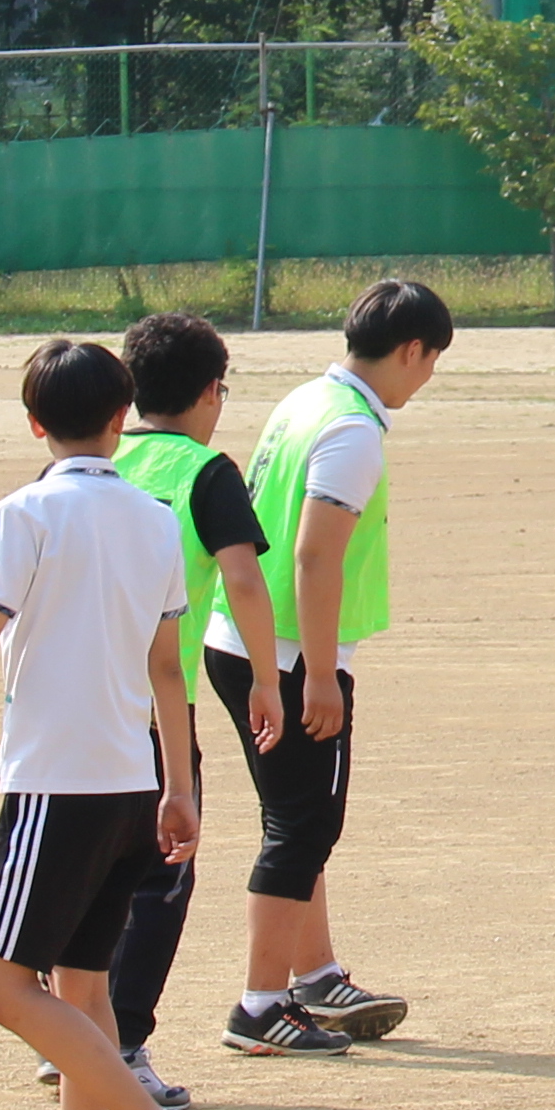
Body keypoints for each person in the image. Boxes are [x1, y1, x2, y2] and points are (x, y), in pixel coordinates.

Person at [0, 336, 223, 1110]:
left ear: (32, 423)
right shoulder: (149, 516)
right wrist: (179, 787)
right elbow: (165, 666)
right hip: (132, 781)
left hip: (56, 782)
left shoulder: (24, 513)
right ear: (119, 420)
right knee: (84, 994)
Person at [209, 278, 452, 1057]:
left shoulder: (306, 401)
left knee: (295, 818)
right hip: (286, 651)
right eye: (432, 360)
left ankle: (313, 974)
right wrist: (318, 676)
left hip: (241, 640)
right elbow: (315, 557)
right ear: (411, 350)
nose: (429, 377)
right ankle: (260, 1004)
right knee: (305, 825)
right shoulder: (353, 430)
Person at [65, 309, 282, 1110]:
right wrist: (265, 676)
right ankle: (117, 1043)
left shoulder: (99, 459)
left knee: (84, 877)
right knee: (160, 876)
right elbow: (245, 581)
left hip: (78, 705)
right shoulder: (204, 472)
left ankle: (68, 1034)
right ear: (209, 394)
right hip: (159, 705)